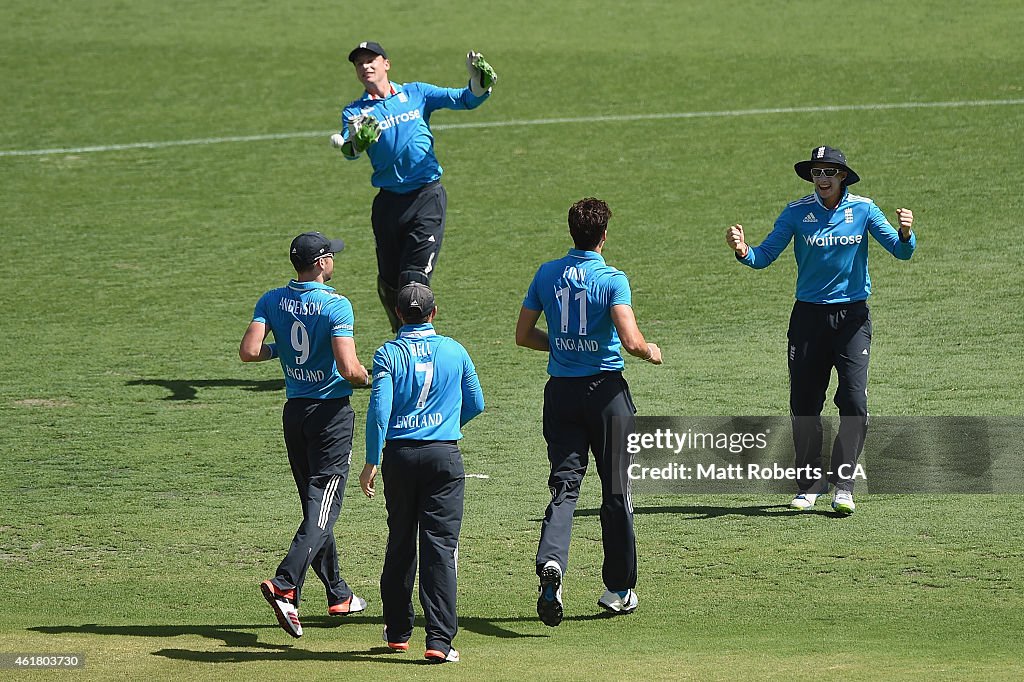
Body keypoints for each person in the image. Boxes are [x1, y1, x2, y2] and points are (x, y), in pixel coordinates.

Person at [725, 145, 917, 515]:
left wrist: (906, 233)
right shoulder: (797, 212)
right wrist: (743, 250)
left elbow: (900, 251)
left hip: (852, 321)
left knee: (855, 403)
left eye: (830, 171)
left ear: (843, 175)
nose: (823, 178)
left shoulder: (863, 209)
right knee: (805, 404)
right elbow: (764, 256)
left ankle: (843, 485)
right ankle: (809, 485)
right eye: (817, 172)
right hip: (808, 321)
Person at [515, 197, 663, 627]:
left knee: (564, 489)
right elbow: (631, 340)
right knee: (616, 491)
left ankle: (553, 567)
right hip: (605, 396)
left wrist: (560, 345)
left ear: (572, 232)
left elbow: (523, 335)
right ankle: (618, 589)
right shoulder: (611, 279)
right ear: (603, 235)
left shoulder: (546, 274)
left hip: (560, 395)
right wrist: (651, 351)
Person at [239, 231, 372, 638]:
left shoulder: (271, 300)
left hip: (294, 413)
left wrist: (281, 351)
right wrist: (375, 379)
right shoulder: (336, 305)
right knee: (324, 508)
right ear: (321, 263)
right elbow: (349, 369)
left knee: (316, 506)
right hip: (330, 415)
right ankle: (285, 583)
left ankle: (338, 593)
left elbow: (249, 351)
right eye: (332, 257)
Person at [330, 41, 497, 333]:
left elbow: (465, 99)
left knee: (413, 280)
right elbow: (349, 150)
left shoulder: (416, 93)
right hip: (388, 204)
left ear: (386, 64)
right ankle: (402, 336)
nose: (365, 67)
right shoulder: (355, 111)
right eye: (359, 63)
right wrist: (359, 141)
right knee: (389, 284)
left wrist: (479, 83)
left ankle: (419, 342)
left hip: (426, 197)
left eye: (371, 60)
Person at [359, 283, 484, 663]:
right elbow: (476, 402)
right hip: (443, 456)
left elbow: (379, 410)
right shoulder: (454, 350)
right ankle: (439, 641)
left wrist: (371, 459)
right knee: (439, 549)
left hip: (399, 455)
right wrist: (445, 425)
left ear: (398, 314)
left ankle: (397, 632)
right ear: (434, 312)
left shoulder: (388, 354)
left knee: (400, 542)